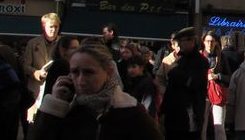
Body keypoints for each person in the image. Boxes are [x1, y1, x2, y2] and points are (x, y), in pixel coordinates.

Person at [29, 42, 161, 140]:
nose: (81, 80)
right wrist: (54, 105)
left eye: (89, 72)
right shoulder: (65, 108)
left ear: (108, 72)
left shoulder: (130, 111)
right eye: (75, 72)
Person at [157, 26, 209, 140]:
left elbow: (192, 83)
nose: (179, 45)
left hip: (189, 117)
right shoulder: (179, 59)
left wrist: (174, 71)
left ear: (192, 41)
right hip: (173, 115)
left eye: (182, 41)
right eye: (178, 42)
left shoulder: (200, 61)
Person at [22, 12, 61, 115]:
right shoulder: (33, 43)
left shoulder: (62, 43)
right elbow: (25, 66)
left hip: (56, 89)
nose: (54, 29)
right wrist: (37, 73)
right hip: (36, 90)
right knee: (33, 121)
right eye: (51, 27)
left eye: (56, 27)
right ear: (44, 26)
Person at [203, 31, 232, 140]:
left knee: (219, 125)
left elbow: (229, 77)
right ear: (203, 42)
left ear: (216, 43)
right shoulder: (199, 56)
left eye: (212, 41)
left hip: (217, 94)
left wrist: (218, 76)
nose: (209, 44)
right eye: (207, 41)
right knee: (202, 126)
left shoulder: (221, 57)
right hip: (204, 95)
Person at [123, 52, 160, 120]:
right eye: (129, 67)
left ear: (141, 68)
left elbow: (147, 107)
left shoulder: (147, 83)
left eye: (134, 67)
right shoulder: (129, 82)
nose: (130, 69)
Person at [43, 35, 81, 100]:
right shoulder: (60, 64)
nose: (78, 51)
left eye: (79, 48)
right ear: (64, 50)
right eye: (74, 48)